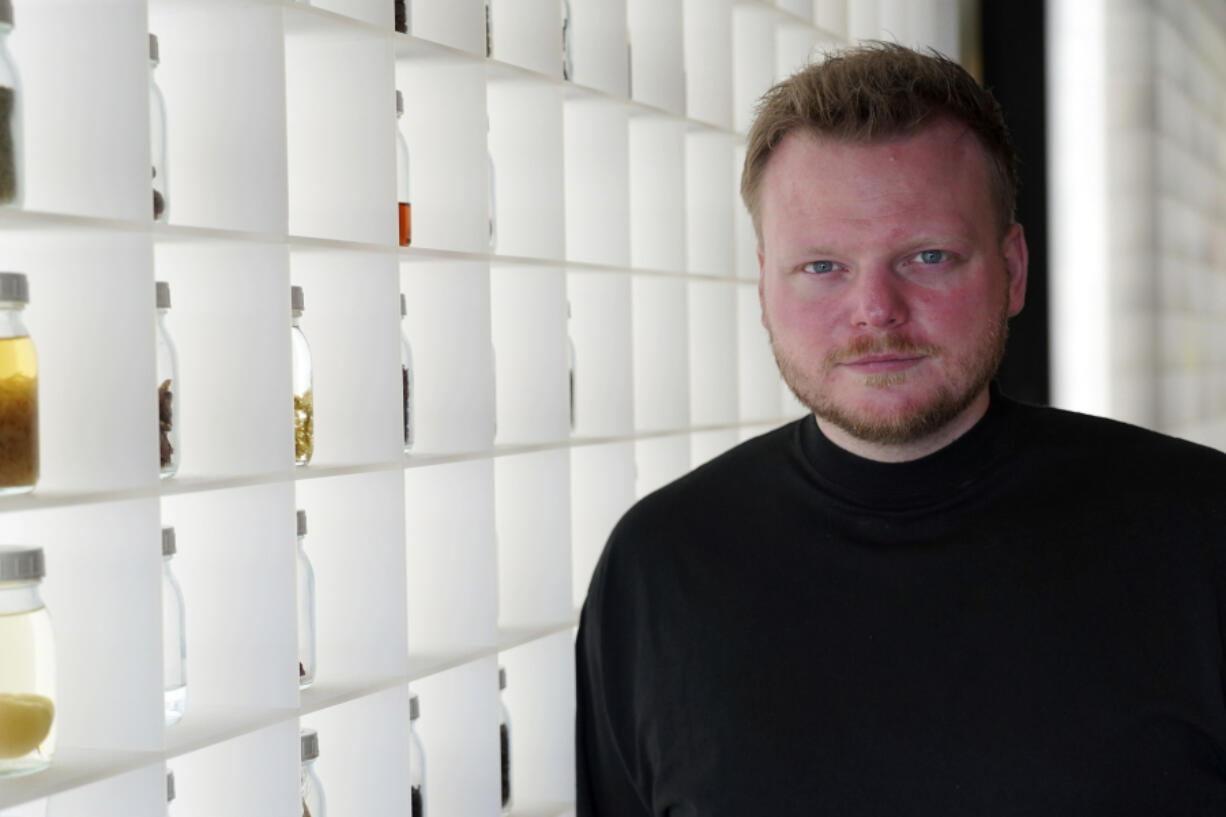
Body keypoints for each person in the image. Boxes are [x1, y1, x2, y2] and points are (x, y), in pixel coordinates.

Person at [575, 42, 1226, 816]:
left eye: (926, 256)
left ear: (1012, 270)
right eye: (823, 266)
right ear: (762, 285)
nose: (876, 310)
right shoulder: (658, 568)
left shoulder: (1201, 530)